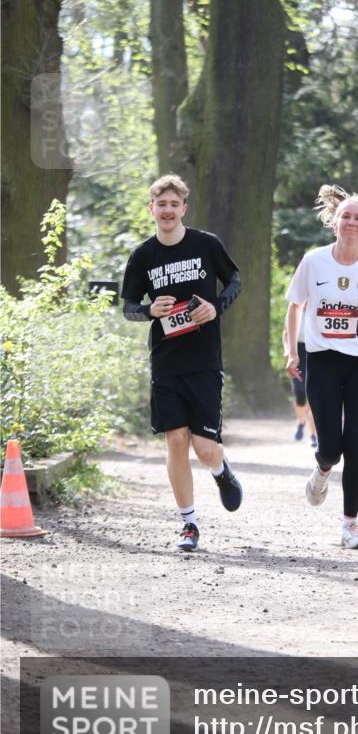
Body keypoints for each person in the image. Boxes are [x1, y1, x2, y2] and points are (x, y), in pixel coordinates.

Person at [121, 174, 244, 552]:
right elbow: (128, 308)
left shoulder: (206, 244)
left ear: (183, 208)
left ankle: (222, 473)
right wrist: (149, 310)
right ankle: (188, 525)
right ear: (152, 209)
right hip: (166, 363)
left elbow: (235, 280)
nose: (168, 211)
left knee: (205, 448)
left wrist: (215, 308)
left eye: (175, 204)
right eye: (162, 205)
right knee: (176, 441)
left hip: (204, 360)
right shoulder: (143, 255)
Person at [284, 184, 358, 549]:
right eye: (345, 216)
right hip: (323, 359)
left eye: (357, 218)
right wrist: (292, 351)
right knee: (331, 447)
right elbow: (295, 306)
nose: (350, 222)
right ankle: (322, 469)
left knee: (356, 444)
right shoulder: (314, 261)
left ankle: (350, 525)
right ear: (334, 222)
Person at [282, 313, 317, 448]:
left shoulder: (321, 304)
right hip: (298, 353)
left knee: (315, 396)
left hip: (316, 352)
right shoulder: (296, 309)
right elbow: (285, 333)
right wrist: (288, 351)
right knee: (300, 393)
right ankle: (301, 421)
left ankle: (314, 435)